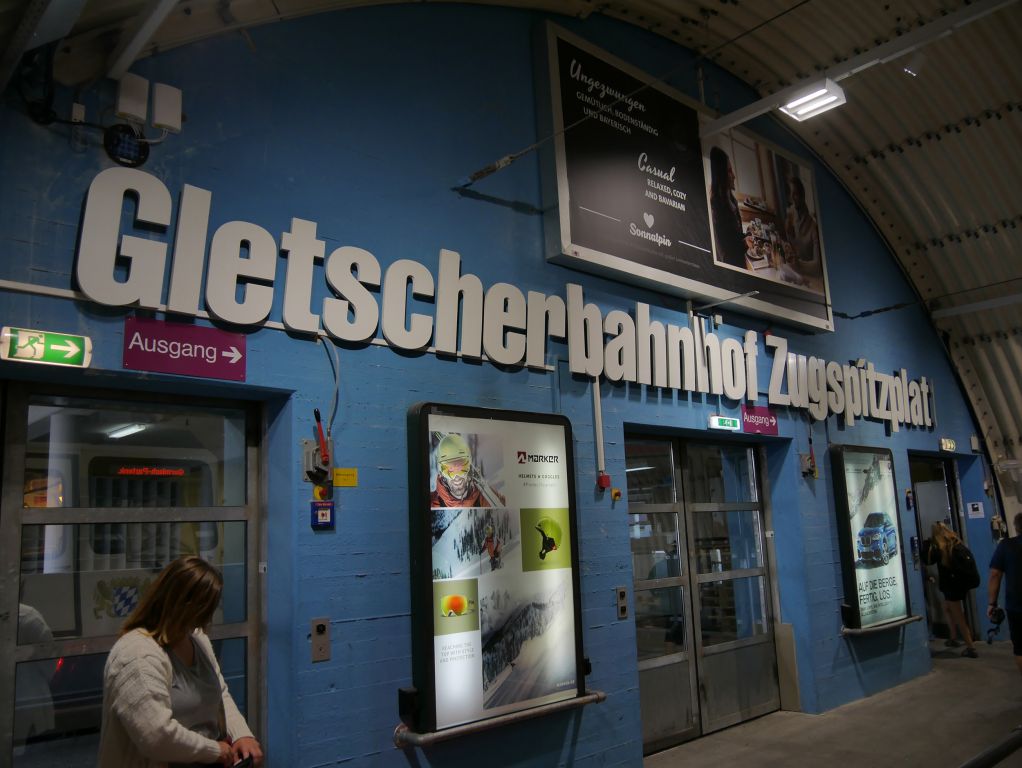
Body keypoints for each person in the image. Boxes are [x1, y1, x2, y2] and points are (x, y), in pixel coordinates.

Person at [98, 556, 264, 767]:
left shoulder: (196, 638)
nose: (205, 620)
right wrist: (214, 750)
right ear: (179, 604)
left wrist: (242, 735)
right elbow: (156, 737)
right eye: (202, 610)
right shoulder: (136, 655)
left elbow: (219, 692)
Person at [925, 522, 979, 658]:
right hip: (961, 584)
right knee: (946, 607)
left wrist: (927, 544)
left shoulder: (940, 548)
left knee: (958, 615)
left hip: (951, 587)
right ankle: (953, 637)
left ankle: (971, 647)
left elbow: (927, 560)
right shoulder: (956, 542)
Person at [987, 512, 1022, 677]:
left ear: (1016, 527)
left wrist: (992, 604)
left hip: (1017, 606)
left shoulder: (1007, 546)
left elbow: (995, 575)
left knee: (1020, 648)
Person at [430, 433, 504, 508]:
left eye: (461, 468)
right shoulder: (432, 504)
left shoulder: (488, 498)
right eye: (450, 470)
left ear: (469, 466)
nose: (457, 477)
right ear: (441, 473)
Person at [708, 146, 750, 268]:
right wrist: (744, 243)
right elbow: (725, 256)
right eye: (729, 171)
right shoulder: (716, 208)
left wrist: (747, 235)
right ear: (721, 175)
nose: (734, 176)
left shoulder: (732, 200)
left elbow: (735, 239)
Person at [783, 176, 821, 279]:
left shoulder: (814, 227)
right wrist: (788, 236)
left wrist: (798, 264)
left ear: (802, 196)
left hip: (811, 277)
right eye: (790, 194)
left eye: (795, 194)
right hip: (797, 273)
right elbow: (795, 247)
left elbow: (818, 267)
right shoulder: (792, 214)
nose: (792, 198)